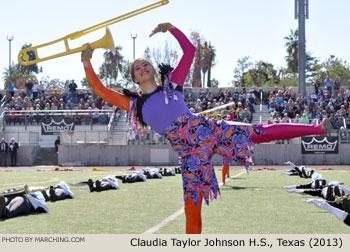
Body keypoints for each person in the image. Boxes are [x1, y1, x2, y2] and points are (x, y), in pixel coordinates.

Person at [81, 22, 332, 234]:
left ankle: (318, 128)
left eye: (146, 63)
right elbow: (100, 89)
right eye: (138, 67)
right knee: (192, 205)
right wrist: (87, 62)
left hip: (207, 129)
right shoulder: (134, 104)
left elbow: (189, 51)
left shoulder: (173, 85)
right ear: (134, 78)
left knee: (259, 132)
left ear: (153, 70)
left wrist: (172, 28)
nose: (143, 67)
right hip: (189, 153)